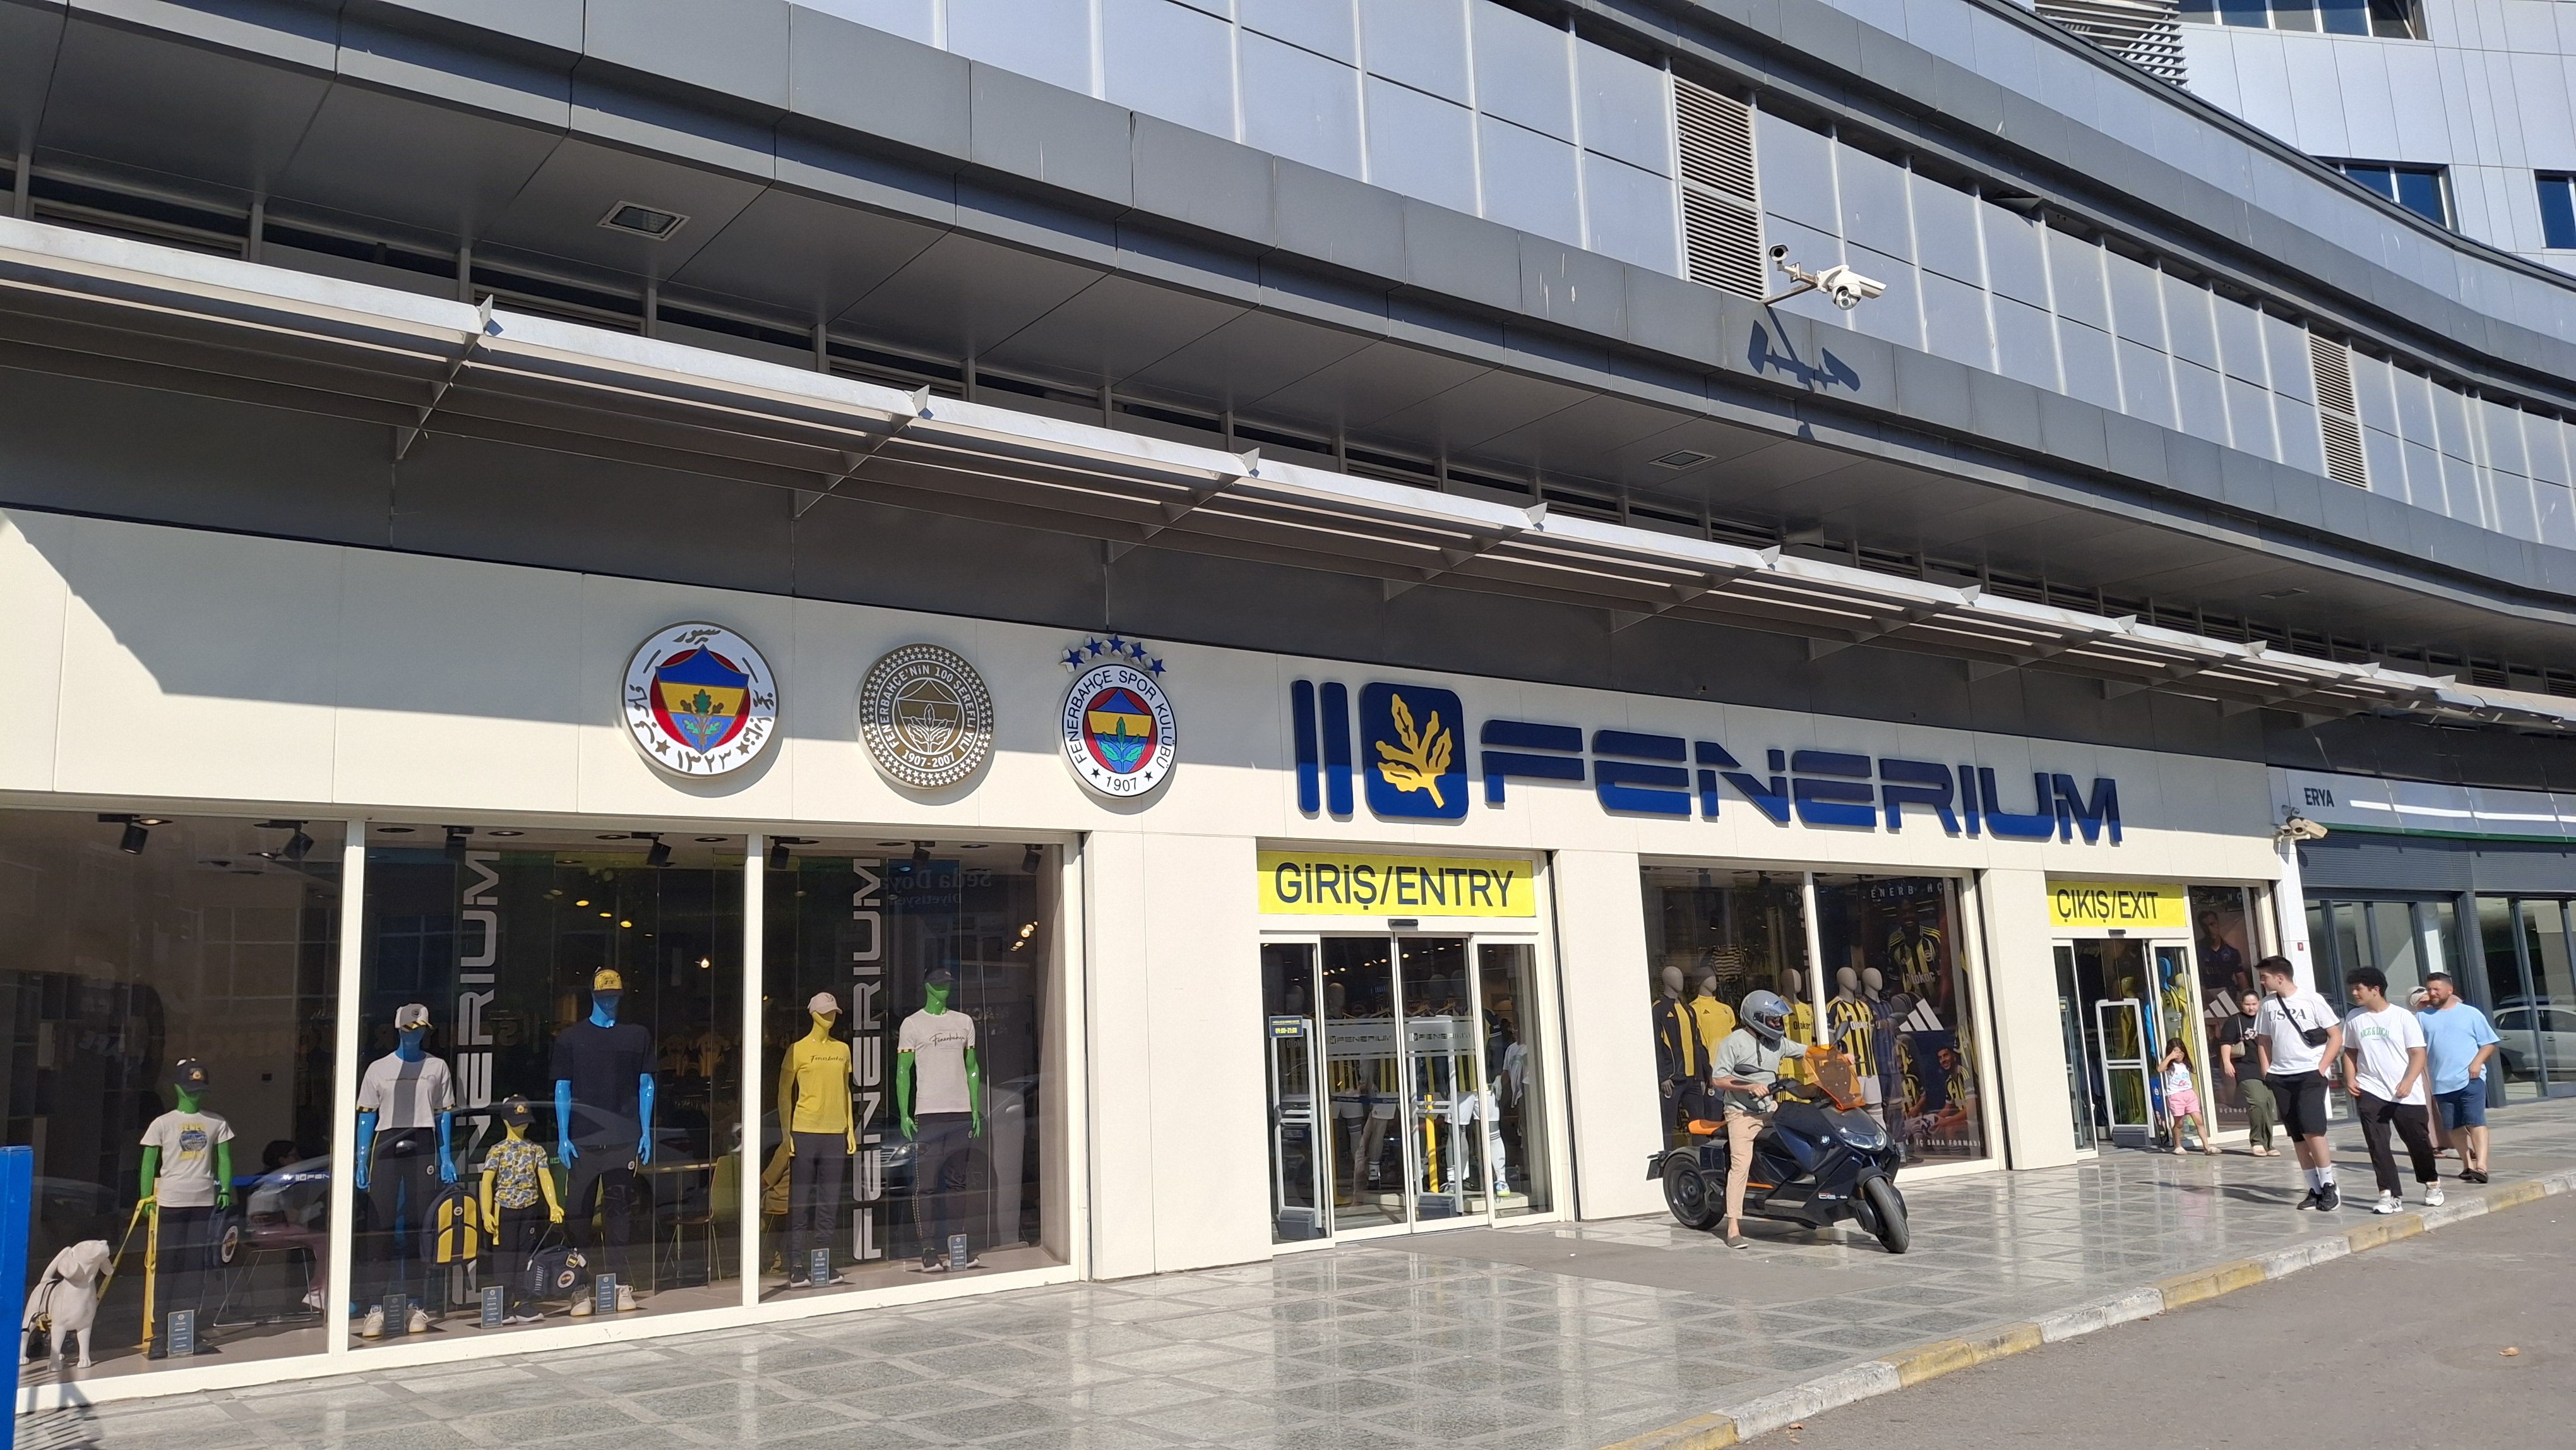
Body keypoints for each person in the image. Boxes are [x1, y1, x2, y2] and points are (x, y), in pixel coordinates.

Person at [2341, 967, 2440, 1213]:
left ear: (2375, 990)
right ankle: (2389, 1194)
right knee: (2377, 1143)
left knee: (2418, 1142)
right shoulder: (2354, 1017)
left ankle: (2432, 1183)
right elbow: (2350, 1052)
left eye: (2359, 988)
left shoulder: (2403, 1017)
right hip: (2371, 1088)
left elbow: (2418, 1053)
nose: (2354, 993)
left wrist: (2409, 1081)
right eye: (2353, 989)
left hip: (2405, 1092)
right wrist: (2351, 1078)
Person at [2252, 956, 2343, 1209]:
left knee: (2313, 1130)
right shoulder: (2267, 1005)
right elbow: (2263, 1040)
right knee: (2297, 1134)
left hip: (2310, 1073)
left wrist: (2321, 1068)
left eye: (2265, 977)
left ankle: (2329, 1184)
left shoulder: (2312, 1000)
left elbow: (2336, 1036)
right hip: (2280, 1076)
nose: (2262, 981)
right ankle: (2314, 1188)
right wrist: (2267, 1070)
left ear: (2280, 977)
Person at [1708, 989, 1792, 1252]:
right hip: (1741, 1113)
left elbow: (1806, 1052)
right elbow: (1718, 1079)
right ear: (1757, 1019)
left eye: (1779, 1020)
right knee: (1741, 1164)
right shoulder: (1733, 1043)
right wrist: (1749, 1086)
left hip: (1770, 1108)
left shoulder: (1776, 1043)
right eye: (1773, 1020)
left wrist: (1835, 1056)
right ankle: (1733, 1227)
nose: (1778, 1024)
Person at [2418, 972, 2500, 1184]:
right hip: (2441, 1082)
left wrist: (2477, 1063)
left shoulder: (2470, 1014)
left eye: (2436, 989)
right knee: (2453, 1126)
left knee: (2475, 1121)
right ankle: (2467, 1165)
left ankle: (2482, 1166)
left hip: (2471, 1078)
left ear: (2450, 990)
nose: (2432, 993)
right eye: (2429, 989)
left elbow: (2489, 1043)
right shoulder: (2422, 1017)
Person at [2222, 991, 2279, 1155]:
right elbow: (2226, 1043)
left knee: (2268, 1104)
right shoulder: (2235, 1021)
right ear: (2241, 1004)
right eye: (2247, 1004)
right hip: (2246, 1067)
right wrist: (2227, 1062)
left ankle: (2268, 1144)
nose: (2251, 1008)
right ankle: (2257, 1141)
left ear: (2259, 1003)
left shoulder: (2266, 1018)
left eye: (2254, 1004)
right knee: (2257, 1102)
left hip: (2269, 1067)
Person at [2159, 1041, 2217, 1156]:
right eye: (2175, 1052)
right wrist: (2170, 1057)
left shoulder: (2187, 1064)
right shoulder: (2170, 1066)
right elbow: (2160, 1069)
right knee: (2179, 1123)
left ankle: (2207, 1147)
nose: (2179, 1055)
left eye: (2181, 1052)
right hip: (2176, 1096)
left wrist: (2196, 1095)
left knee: (2199, 1121)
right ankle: (2178, 1146)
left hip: (2189, 1094)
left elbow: (2191, 1081)